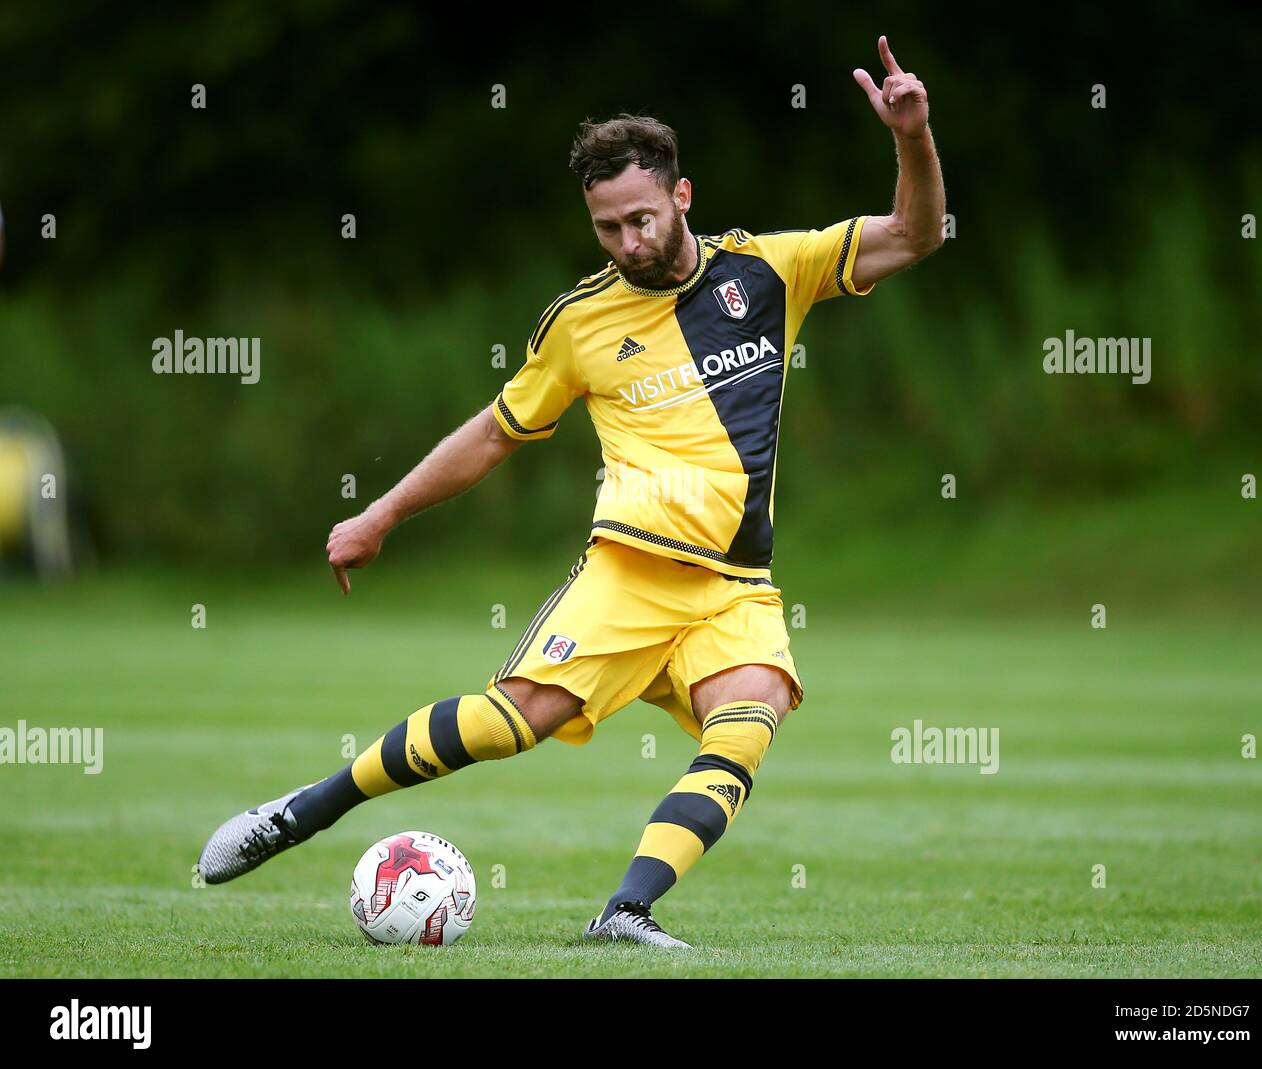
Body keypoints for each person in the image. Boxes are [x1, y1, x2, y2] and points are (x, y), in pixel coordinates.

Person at [197, 35, 946, 948]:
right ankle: (304, 811)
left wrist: (912, 136)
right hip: (630, 571)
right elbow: (490, 434)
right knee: (514, 723)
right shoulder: (581, 324)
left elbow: (916, 234)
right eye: (606, 227)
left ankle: (625, 912)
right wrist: (381, 513)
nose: (628, 242)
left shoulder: (771, 269)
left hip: (737, 583)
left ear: (682, 196)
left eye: (640, 218)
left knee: (747, 725)